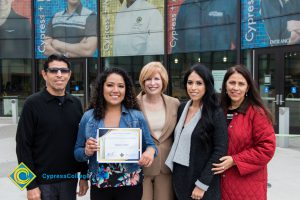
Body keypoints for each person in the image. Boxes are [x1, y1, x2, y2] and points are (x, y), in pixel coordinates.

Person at [74, 67, 157, 200]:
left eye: (121, 86)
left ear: (126, 90)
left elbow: (151, 145)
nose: (115, 90)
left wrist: (149, 152)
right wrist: (86, 151)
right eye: (110, 85)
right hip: (100, 183)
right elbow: (77, 153)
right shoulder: (88, 117)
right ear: (102, 88)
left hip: (130, 182)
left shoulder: (136, 116)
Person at [16, 54, 88, 200]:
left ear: (69, 74)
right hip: (42, 183)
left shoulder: (76, 104)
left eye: (64, 70)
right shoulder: (32, 104)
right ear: (44, 74)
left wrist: (84, 176)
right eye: (54, 70)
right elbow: (22, 146)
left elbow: (81, 143)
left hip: (69, 180)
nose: (59, 75)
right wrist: (29, 185)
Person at [212, 65, 276, 200]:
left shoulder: (257, 113)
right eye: (232, 82)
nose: (235, 88)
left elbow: (267, 148)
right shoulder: (217, 110)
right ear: (225, 85)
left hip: (246, 185)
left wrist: (235, 160)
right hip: (218, 184)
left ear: (247, 88)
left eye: (241, 84)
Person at [165, 63, 228, 200]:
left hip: (202, 182)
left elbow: (220, 150)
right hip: (180, 177)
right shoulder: (182, 108)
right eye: (190, 82)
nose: (193, 88)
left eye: (199, 83)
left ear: (207, 85)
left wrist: (202, 183)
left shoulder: (215, 112)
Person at [137, 62, 180, 200]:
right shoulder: (133, 104)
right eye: (148, 79)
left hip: (166, 166)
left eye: (157, 79)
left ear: (163, 81)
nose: (152, 83)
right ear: (143, 82)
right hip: (142, 166)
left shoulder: (175, 103)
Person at [172, 0, 236, 53]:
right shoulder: (185, 6)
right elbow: (177, 45)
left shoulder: (229, 3)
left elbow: (239, 40)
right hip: (192, 61)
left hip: (220, 61)